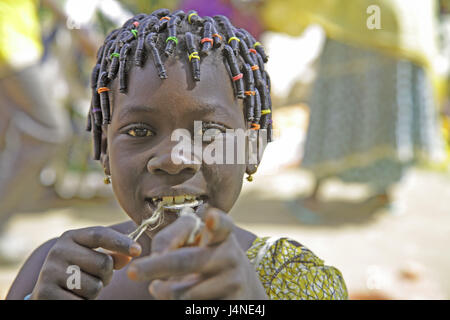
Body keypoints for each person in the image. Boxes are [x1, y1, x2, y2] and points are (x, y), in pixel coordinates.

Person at [6, 9, 347, 300]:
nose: (173, 159)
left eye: (209, 132)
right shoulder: (54, 274)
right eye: (139, 131)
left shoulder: (289, 278)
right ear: (104, 150)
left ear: (252, 147)